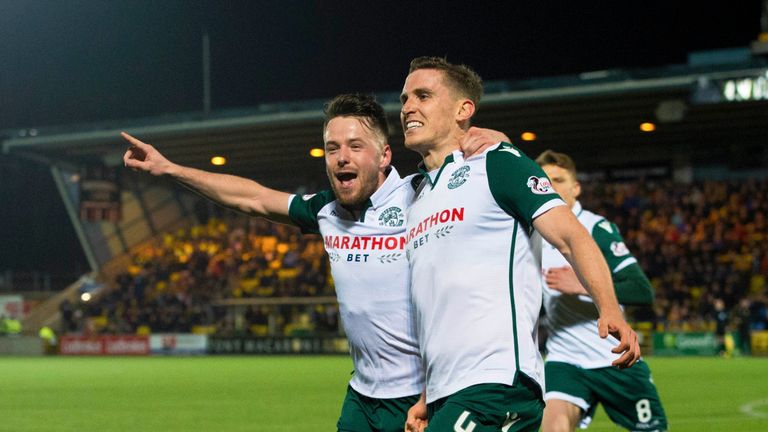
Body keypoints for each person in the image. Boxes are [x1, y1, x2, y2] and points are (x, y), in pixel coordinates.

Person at [123, 93, 506, 432]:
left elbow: (478, 169)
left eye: (356, 146)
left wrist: (495, 140)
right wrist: (169, 169)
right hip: (361, 397)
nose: (342, 157)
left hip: (420, 397)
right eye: (332, 147)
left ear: (385, 155)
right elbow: (252, 197)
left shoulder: (422, 195)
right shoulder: (325, 210)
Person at [399, 57, 640, 432]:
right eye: (404, 99)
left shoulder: (498, 163)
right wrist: (428, 396)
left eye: (423, 95)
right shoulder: (417, 197)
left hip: (498, 382)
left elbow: (571, 236)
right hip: (449, 388)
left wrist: (608, 306)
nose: (408, 107)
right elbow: (443, 310)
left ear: (464, 109)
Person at [535, 150, 668, 432]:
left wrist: (581, 285)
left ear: (576, 188)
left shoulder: (597, 228)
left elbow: (642, 291)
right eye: (545, 182)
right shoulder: (534, 234)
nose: (552, 187)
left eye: (559, 180)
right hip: (564, 359)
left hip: (614, 356)